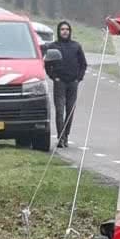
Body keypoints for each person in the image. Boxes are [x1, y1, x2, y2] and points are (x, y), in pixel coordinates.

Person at [44, 20, 88, 150]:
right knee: (59, 110)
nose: (65, 31)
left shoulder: (76, 46)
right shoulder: (53, 46)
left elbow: (83, 64)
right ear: (59, 31)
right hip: (60, 83)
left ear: (70, 31)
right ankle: (61, 137)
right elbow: (47, 65)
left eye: (67, 29)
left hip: (73, 83)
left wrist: (78, 78)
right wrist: (54, 77)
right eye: (62, 29)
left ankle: (66, 136)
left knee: (70, 111)